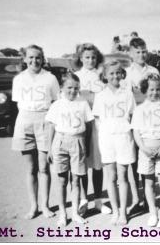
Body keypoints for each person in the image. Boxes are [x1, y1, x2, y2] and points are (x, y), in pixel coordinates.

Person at [12, 44, 60, 219]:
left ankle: (45, 206)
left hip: (45, 121)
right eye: (31, 57)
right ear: (25, 59)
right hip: (24, 121)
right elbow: (18, 103)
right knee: (30, 168)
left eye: (38, 57)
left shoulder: (50, 78)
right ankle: (34, 206)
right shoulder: (18, 79)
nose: (34, 60)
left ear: (43, 59)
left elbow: (56, 102)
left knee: (44, 167)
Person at [131, 73, 160, 228]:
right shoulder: (139, 109)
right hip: (146, 150)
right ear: (145, 90)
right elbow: (136, 132)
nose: (154, 92)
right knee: (148, 182)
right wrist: (143, 148)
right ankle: (153, 212)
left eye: (157, 89)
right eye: (151, 89)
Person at [92, 59, 136, 225]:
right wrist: (101, 138)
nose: (115, 76)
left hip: (124, 137)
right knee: (111, 176)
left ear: (122, 74)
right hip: (107, 138)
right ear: (105, 75)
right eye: (111, 73)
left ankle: (123, 211)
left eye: (118, 72)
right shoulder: (100, 95)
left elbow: (132, 115)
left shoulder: (128, 94)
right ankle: (115, 211)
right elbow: (97, 120)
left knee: (123, 176)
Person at [45, 73, 93, 226]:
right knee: (62, 180)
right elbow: (51, 126)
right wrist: (50, 149)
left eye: (76, 88)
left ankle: (75, 214)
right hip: (60, 142)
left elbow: (89, 125)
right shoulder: (57, 104)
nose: (72, 91)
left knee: (76, 179)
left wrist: (87, 144)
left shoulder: (83, 103)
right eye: (69, 88)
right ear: (62, 88)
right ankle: (62, 214)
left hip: (78, 141)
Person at [74, 43, 112, 216]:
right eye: (87, 57)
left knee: (97, 164)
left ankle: (97, 201)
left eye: (93, 57)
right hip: (80, 124)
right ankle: (83, 199)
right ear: (81, 58)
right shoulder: (75, 76)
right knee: (81, 161)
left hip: (97, 124)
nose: (90, 60)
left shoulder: (101, 76)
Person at [124, 37, 160, 213]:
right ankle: (136, 198)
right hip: (135, 120)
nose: (141, 55)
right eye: (137, 52)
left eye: (144, 51)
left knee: (150, 157)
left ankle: (150, 197)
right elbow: (127, 98)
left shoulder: (153, 70)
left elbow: (157, 94)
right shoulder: (127, 73)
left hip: (152, 120)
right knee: (134, 159)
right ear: (130, 54)